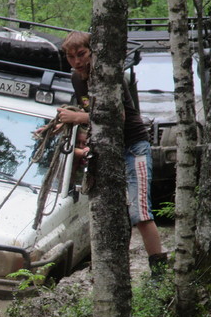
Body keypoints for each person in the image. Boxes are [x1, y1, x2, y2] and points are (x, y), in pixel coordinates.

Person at [58, 31, 168, 277]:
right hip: (108, 150)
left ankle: (159, 272)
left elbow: (116, 117)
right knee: (107, 211)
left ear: (92, 52)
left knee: (140, 213)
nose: (77, 61)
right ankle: (108, 269)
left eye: (81, 54)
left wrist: (77, 117)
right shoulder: (77, 78)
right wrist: (67, 125)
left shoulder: (108, 76)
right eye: (71, 57)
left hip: (133, 146)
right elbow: (91, 116)